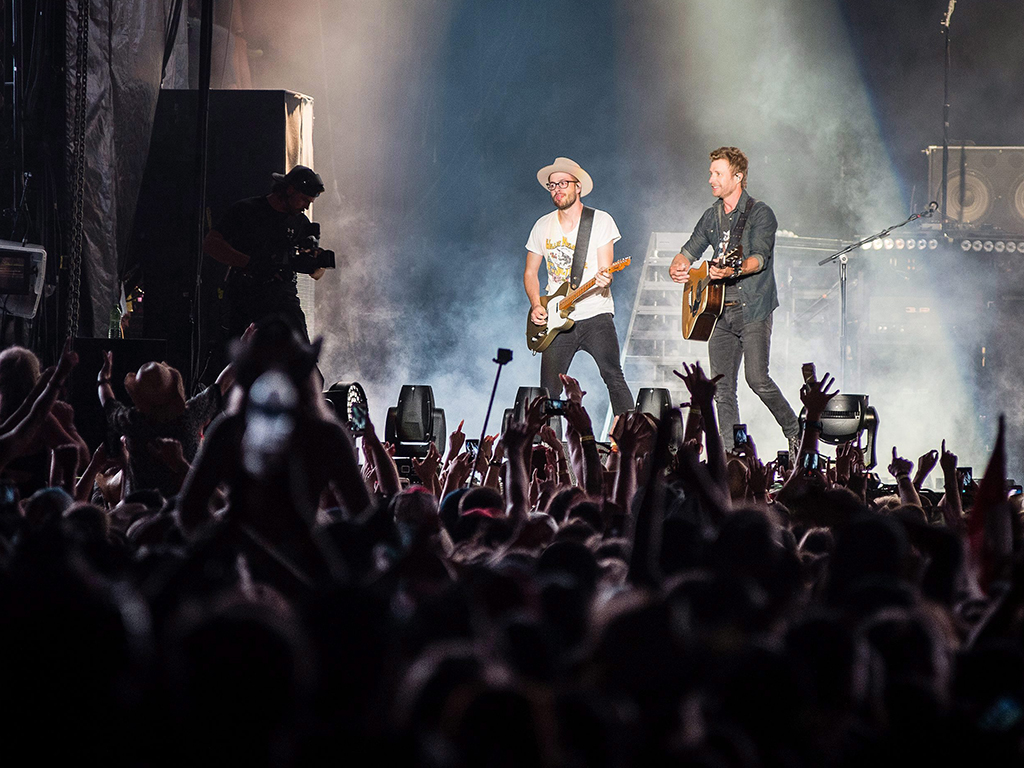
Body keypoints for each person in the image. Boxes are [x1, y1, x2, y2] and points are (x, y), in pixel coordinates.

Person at [668, 146, 799, 453]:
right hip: (717, 315)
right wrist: (677, 266)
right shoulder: (710, 216)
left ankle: (795, 431)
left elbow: (759, 258)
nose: (711, 178)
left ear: (737, 177)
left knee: (757, 379)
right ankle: (731, 456)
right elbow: (688, 250)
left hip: (752, 308)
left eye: (717, 173)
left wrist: (734, 269)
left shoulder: (760, 213)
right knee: (722, 390)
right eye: (711, 172)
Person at [524, 157, 633, 416]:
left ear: (578, 186)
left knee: (613, 376)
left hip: (596, 313)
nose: (557, 189)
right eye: (552, 185)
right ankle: (550, 448)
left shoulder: (600, 220)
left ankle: (631, 440)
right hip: (556, 318)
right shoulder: (542, 225)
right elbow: (530, 272)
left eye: (563, 183)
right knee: (548, 391)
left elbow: (605, 270)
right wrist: (536, 304)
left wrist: (606, 278)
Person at [203, 164, 329, 343]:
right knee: (242, 360)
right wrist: (251, 263)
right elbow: (211, 244)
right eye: (303, 200)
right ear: (290, 190)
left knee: (301, 359)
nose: (306, 207)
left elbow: (316, 273)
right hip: (246, 296)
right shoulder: (247, 210)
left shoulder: (301, 222)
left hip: (284, 300)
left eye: (310, 202)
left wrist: (315, 261)